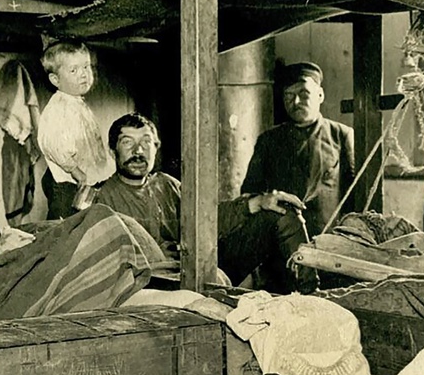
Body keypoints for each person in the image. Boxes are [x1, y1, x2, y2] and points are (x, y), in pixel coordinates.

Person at [93, 113, 315, 293]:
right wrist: (154, 257)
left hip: (195, 269)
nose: (138, 151)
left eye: (146, 142)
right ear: (113, 151)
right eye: (127, 142)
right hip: (151, 284)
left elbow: (207, 220)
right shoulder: (101, 197)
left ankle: (311, 294)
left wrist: (257, 203)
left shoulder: (167, 184)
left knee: (280, 210)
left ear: (156, 147)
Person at [243, 61, 357, 239]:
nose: (296, 102)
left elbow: (354, 195)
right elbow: (250, 192)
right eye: (288, 96)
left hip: (329, 239)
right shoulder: (268, 140)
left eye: (304, 94)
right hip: (281, 241)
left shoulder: (341, 135)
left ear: (320, 95)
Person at [36, 40, 116, 218]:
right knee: (66, 223)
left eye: (86, 67)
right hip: (69, 183)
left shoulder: (76, 102)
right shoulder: (58, 108)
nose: (83, 74)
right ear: (55, 80)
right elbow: (53, 145)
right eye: (74, 70)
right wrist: (76, 172)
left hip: (84, 179)